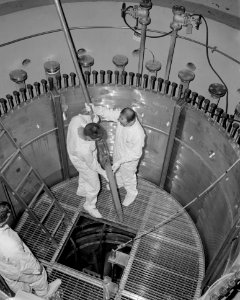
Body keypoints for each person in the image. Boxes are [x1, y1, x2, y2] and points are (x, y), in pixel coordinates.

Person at [86, 104, 145, 207]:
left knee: (128, 177)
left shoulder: (138, 134)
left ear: (131, 121)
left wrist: (120, 161)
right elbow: (108, 112)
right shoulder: (122, 117)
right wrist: (94, 108)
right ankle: (119, 182)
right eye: (119, 118)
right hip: (118, 152)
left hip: (129, 160)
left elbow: (136, 154)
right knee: (118, 171)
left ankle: (132, 193)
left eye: (122, 121)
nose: (119, 121)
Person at [0, 201, 61, 299]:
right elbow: (24, 263)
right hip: (18, 268)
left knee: (19, 286)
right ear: (8, 215)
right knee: (39, 279)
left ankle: (30, 296)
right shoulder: (9, 244)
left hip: (5, 269)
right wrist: (38, 269)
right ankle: (44, 294)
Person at [67, 113, 108, 218]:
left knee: (84, 176)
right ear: (89, 138)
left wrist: (95, 118)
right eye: (96, 139)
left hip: (74, 153)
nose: (98, 141)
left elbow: (87, 117)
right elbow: (92, 164)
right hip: (83, 162)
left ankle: (81, 191)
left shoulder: (76, 120)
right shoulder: (83, 149)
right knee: (94, 186)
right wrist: (103, 172)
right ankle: (89, 205)